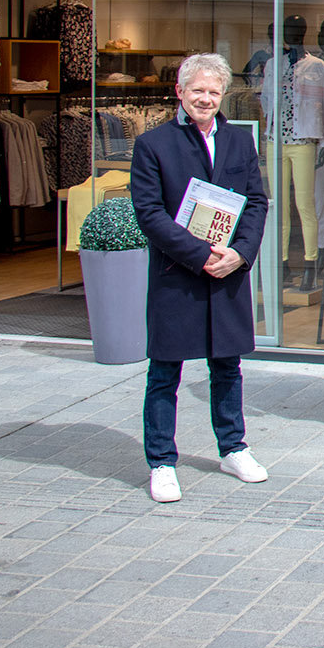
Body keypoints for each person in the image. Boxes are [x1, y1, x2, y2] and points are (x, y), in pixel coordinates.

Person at [130, 52, 270, 503]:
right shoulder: (153, 145)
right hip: (179, 273)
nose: (205, 99)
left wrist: (240, 254)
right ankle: (161, 461)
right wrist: (198, 254)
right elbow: (149, 214)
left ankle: (233, 447)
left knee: (227, 366)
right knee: (165, 370)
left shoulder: (238, 141)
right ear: (180, 93)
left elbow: (256, 202)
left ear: (223, 95)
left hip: (227, 271)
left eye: (213, 92)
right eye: (197, 91)